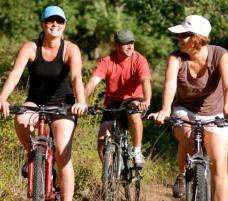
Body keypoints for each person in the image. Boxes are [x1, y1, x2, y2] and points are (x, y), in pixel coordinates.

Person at [148, 15, 228, 200]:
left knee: (219, 166)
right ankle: (182, 175)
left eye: (185, 35)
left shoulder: (220, 54)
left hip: (216, 112)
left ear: (198, 37)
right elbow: (170, 84)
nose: (179, 39)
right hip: (186, 109)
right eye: (179, 35)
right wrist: (165, 109)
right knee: (188, 137)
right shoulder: (176, 58)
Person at [0, 5, 86, 201]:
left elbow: (76, 78)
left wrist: (81, 102)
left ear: (64, 25)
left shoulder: (71, 49)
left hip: (63, 104)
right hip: (36, 102)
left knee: (63, 155)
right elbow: (15, 75)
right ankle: (33, 155)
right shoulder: (30, 47)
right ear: (42, 23)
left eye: (59, 21)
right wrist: (2, 98)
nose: (54, 24)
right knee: (21, 119)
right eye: (50, 20)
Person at [85, 30, 151, 167]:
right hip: (113, 104)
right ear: (116, 45)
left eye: (132, 43)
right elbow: (93, 81)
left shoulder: (139, 60)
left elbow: (145, 81)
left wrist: (146, 101)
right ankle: (110, 176)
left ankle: (137, 151)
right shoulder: (107, 61)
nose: (130, 46)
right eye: (125, 43)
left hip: (134, 100)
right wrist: (81, 100)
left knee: (133, 111)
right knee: (102, 140)